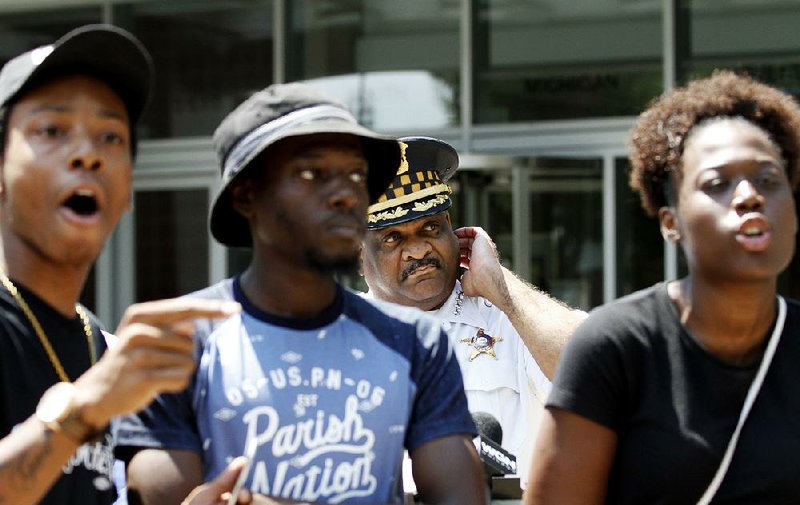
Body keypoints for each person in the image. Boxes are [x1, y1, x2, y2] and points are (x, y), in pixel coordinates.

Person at [115, 83, 486, 505]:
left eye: (356, 174)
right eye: (312, 174)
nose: (345, 193)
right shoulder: (180, 339)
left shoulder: (415, 343)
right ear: (246, 195)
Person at [0, 24, 262, 505]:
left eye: (110, 137)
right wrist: (81, 410)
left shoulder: (95, 344)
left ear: (127, 195)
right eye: (52, 130)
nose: (87, 155)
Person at [525, 70, 800, 504]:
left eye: (768, 180)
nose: (749, 196)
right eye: (717, 184)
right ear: (671, 222)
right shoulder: (615, 347)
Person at [359, 136, 587, 485]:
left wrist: (502, 287)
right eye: (393, 238)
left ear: (452, 225)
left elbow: (593, 374)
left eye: (431, 227)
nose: (419, 250)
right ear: (359, 255)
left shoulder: (508, 318)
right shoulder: (340, 337)